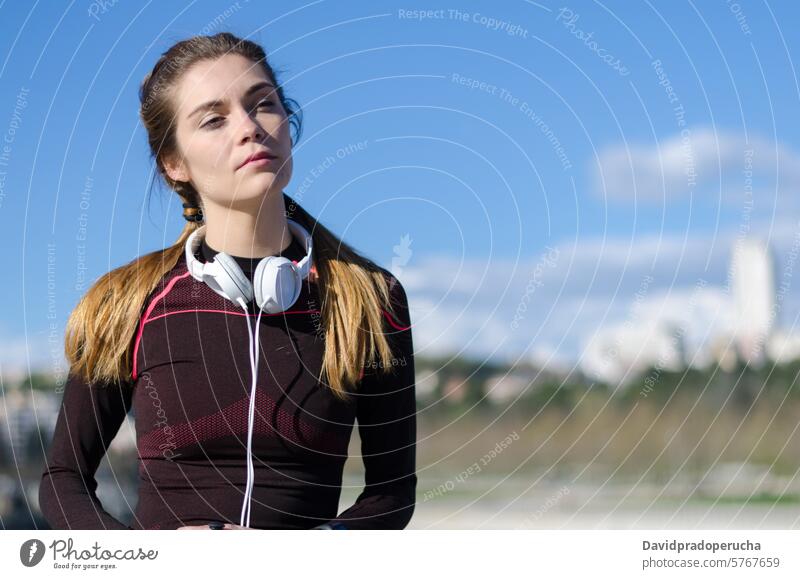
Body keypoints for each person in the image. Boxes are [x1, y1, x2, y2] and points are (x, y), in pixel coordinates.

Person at [39, 32, 417, 530]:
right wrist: (150, 561)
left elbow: (391, 493)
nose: (248, 128)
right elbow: (62, 479)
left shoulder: (368, 299)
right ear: (174, 164)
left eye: (262, 104)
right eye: (213, 119)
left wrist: (304, 555)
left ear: (287, 123)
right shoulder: (126, 303)